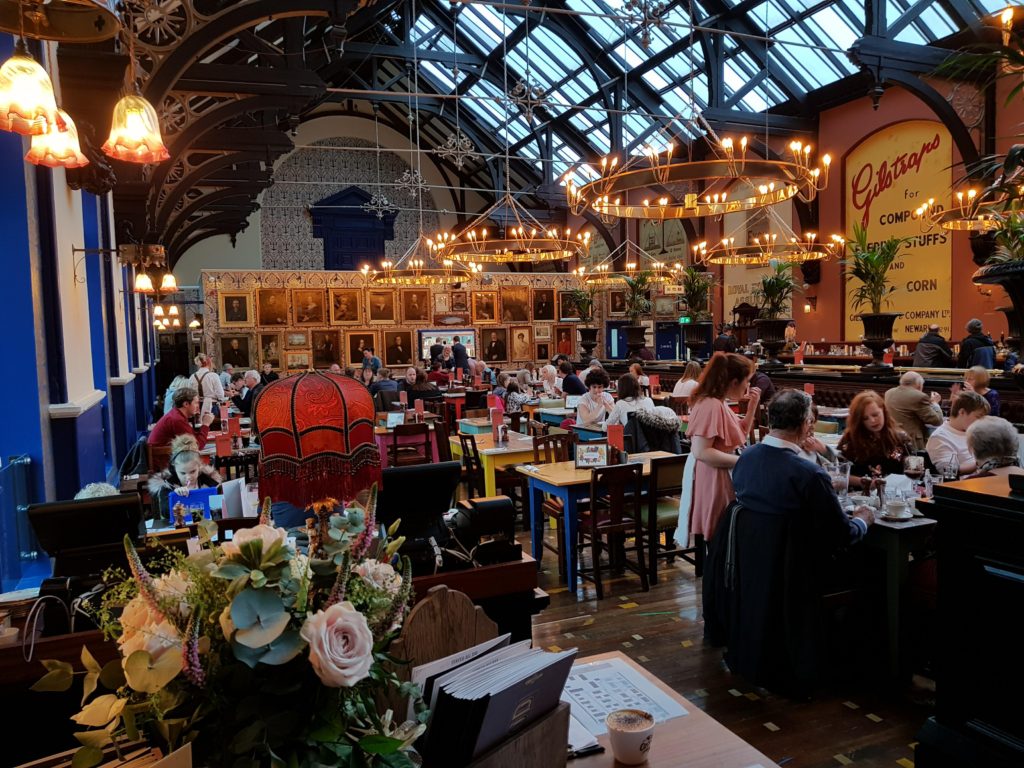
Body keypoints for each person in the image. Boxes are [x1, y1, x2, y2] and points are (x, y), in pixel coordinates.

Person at [722, 389, 873, 695]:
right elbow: (841, 535)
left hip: (753, 564)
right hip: (800, 571)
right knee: (872, 567)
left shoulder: (745, 458)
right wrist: (863, 520)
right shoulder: (808, 473)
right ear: (806, 424)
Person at [675, 353, 760, 546]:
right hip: (714, 477)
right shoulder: (711, 405)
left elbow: (739, 433)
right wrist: (744, 461)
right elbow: (701, 451)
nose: (748, 385)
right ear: (734, 382)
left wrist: (752, 408)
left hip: (721, 473)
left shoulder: (718, 402)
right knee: (719, 537)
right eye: (746, 381)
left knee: (723, 536)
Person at [838, 391, 915, 491]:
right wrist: (865, 482)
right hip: (859, 495)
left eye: (875, 415)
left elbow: (914, 470)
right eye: (865, 418)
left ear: (883, 411)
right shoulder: (850, 439)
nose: (872, 421)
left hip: (895, 494)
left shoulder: (900, 438)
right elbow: (838, 474)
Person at [148, 434, 223, 522]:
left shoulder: (211, 483)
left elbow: (219, 511)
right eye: (183, 473)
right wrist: (175, 497)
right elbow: (165, 512)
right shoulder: (167, 486)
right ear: (174, 469)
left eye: (193, 471)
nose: (188, 477)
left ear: (199, 467)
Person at [926, 390, 989, 477]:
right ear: (962, 412)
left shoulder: (973, 431)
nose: (981, 422)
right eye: (978, 417)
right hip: (964, 483)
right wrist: (984, 463)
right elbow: (948, 471)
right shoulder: (939, 437)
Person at [883, 371, 943, 450]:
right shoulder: (919, 396)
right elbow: (937, 420)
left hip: (892, 438)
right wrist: (935, 403)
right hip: (911, 443)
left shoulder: (889, 392)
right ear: (919, 385)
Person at [148, 387, 214, 449]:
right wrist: (206, 424)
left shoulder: (176, 414)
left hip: (166, 454)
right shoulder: (177, 419)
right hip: (163, 456)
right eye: (196, 403)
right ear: (186, 404)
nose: (198, 407)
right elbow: (197, 446)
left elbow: (193, 438)